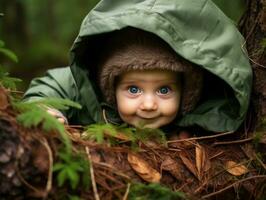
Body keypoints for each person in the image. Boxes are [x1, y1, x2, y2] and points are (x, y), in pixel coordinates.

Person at [23, 0, 252, 134]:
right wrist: (42, 108)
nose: (149, 105)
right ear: (110, 86)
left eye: (164, 90)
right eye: (134, 89)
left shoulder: (203, 108)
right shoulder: (88, 90)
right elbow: (53, 84)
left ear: (187, 92)